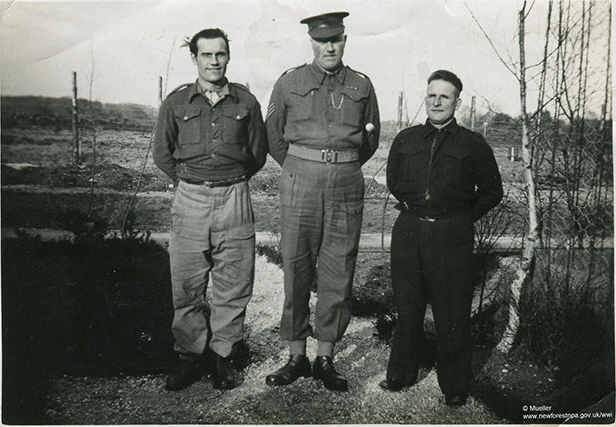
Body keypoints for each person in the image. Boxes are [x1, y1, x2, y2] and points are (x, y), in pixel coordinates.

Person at [264, 11, 380, 392]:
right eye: (322, 41)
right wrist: (302, 167)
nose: (329, 47)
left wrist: (339, 166)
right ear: (311, 42)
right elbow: (274, 137)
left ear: (345, 41)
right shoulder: (288, 82)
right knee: (296, 264)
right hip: (300, 179)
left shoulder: (363, 84)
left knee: (338, 268)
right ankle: (296, 354)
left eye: (336, 40)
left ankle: (325, 356)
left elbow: (370, 141)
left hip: (347, 181)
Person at [153, 28, 267, 391]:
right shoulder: (175, 102)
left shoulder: (246, 103)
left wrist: (228, 179)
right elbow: (162, 153)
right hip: (190, 200)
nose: (214, 61)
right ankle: (190, 357)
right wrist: (189, 181)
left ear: (228, 57)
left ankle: (222, 359)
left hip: (234, 197)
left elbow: (257, 154)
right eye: (206, 55)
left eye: (220, 54)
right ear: (195, 59)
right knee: (186, 284)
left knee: (233, 284)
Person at [381, 70, 503, 406]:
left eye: (444, 97)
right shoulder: (406, 139)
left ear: (457, 103)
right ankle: (402, 373)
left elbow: (493, 191)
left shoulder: (473, 144)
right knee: (408, 306)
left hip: (451, 234)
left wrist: (462, 218)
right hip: (409, 230)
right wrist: (414, 205)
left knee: (452, 312)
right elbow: (393, 180)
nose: (436, 102)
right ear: (426, 98)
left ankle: (454, 384)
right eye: (432, 95)